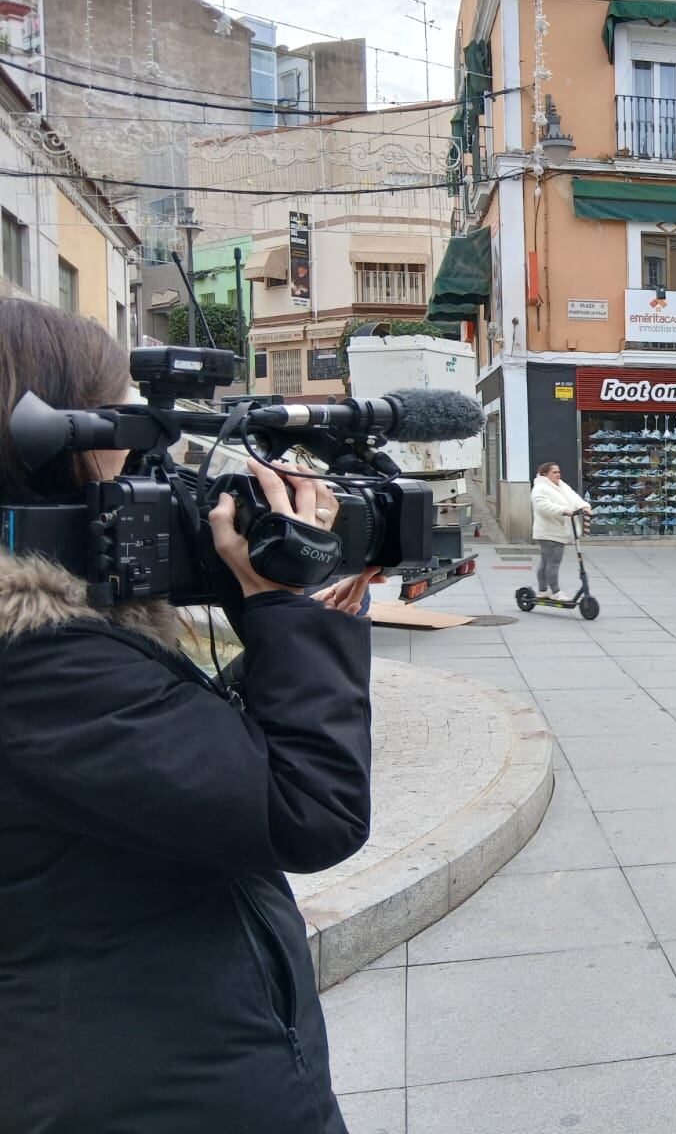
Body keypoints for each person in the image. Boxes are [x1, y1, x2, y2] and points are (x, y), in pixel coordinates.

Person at [0, 301, 374, 1132]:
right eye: (118, 422)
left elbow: (178, 755)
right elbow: (309, 812)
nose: (137, 453)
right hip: (152, 1089)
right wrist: (285, 615)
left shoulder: (62, 640)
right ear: (50, 441)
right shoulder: (38, 660)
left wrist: (296, 625)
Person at [530, 461, 591, 601]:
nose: (558, 474)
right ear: (545, 474)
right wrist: (563, 510)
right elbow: (542, 506)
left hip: (559, 531)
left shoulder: (561, 485)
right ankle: (555, 592)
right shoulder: (540, 488)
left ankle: (543, 590)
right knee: (553, 563)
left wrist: (584, 506)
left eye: (558, 471)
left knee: (546, 563)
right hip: (549, 532)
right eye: (554, 472)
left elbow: (574, 497)